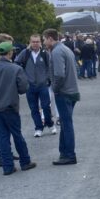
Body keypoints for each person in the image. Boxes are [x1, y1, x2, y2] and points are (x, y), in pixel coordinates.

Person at [0, 42, 36, 176]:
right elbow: (23, 88)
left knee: (2, 137)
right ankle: (25, 161)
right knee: (17, 134)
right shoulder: (16, 69)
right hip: (10, 106)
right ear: (10, 53)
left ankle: (8, 166)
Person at [43, 28, 80, 166]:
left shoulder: (57, 51)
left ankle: (69, 155)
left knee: (66, 124)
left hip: (64, 92)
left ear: (50, 38)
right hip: (71, 91)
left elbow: (59, 74)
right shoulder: (65, 49)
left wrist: (54, 89)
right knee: (65, 124)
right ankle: (64, 153)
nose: (43, 42)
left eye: (44, 39)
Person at [15, 34, 56, 138]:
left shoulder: (45, 53)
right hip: (30, 86)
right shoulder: (25, 53)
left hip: (43, 85)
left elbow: (50, 67)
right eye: (33, 42)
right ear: (30, 42)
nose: (35, 44)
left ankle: (50, 124)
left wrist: (48, 79)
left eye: (37, 41)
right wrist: (23, 77)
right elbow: (17, 64)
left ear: (40, 42)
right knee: (34, 108)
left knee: (46, 106)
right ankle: (38, 128)